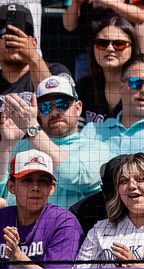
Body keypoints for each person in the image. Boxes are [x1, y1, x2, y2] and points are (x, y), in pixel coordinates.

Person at [0, 75, 111, 207]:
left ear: (78, 107)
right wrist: (7, 144)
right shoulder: (21, 145)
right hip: (17, 226)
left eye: (62, 104)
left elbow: (74, 177)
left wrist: (33, 130)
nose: (54, 113)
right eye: (45, 107)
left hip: (68, 227)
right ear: (38, 113)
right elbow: (3, 192)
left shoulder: (97, 147)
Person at [0, 148, 83, 266]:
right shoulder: (2, 218)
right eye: (27, 180)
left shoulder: (64, 222)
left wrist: (16, 255)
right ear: (12, 186)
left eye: (43, 181)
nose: (35, 187)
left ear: (52, 188)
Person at [76, 15, 134, 123]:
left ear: (133, 48)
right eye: (102, 43)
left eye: (119, 44)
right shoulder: (82, 88)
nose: (110, 49)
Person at [0, 2, 65, 95]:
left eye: (21, 34)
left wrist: (33, 58)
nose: (14, 39)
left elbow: (58, 105)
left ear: (34, 42)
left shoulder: (56, 71)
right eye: (5, 33)